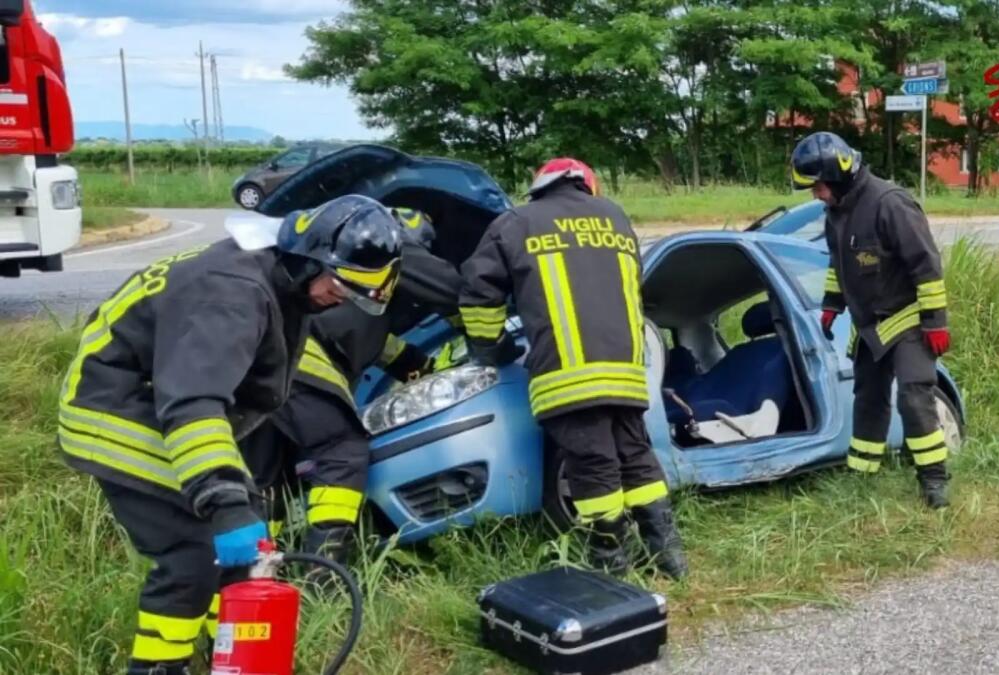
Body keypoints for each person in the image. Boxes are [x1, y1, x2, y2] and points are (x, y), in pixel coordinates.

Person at [58, 194, 405, 675]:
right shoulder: (232, 293)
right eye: (338, 283)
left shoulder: (281, 276)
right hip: (116, 411)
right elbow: (193, 404)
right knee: (192, 552)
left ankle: (232, 658)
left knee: (238, 545)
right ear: (311, 255)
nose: (337, 295)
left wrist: (237, 501)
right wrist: (225, 502)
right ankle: (160, 667)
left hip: (158, 401)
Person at [458, 158, 687, 579]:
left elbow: (477, 294)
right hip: (626, 371)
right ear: (586, 184)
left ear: (540, 187)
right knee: (636, 456)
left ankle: (610, 562)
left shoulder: (516, 222)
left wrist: (494, 347)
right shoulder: (615, 217)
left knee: (593, 463)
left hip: (565, 376)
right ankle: (670, 556)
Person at [239, 206, 464, 578]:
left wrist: (432, 373)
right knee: (341, 449)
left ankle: (255, 575)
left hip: (257, 357)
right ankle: (323, 573)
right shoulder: (389, 253)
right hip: (299, 357)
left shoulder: (363, 317)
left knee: (268, 478)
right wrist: (489, 329)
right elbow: (453, 290)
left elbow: (395, 353)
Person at [791, 131, 952, 509]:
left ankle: (934, 482)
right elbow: (839, 265)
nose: (815, 194)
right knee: (867, 400)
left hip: (908, 320)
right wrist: (832, 304)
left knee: (914, 399)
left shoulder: (890, 204)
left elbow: (926, 266)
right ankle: (862, 475)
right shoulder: (837, 211)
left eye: (817, 186)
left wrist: (935, 322)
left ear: (837, 174)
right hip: (869, 328)